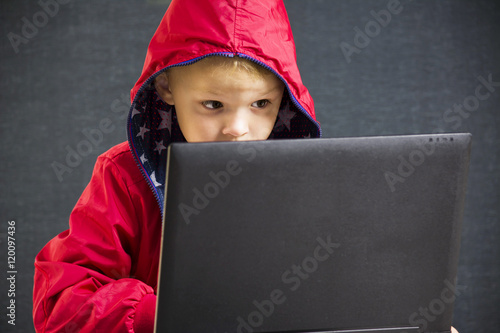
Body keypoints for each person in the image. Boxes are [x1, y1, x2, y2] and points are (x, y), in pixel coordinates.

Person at [32, 1, 460, 332]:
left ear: (284, 100)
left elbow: (336, 292)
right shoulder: (123, 175)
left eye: (261, 104)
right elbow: (59, 302)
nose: (238, 129)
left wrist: (406, 319)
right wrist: (168, 316)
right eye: (213, 104)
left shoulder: (308, 179)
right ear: (166, 86)